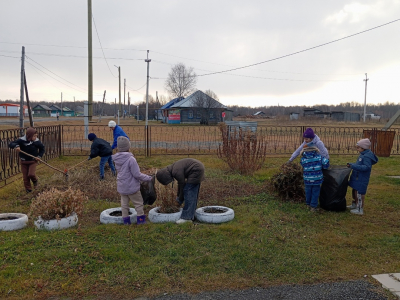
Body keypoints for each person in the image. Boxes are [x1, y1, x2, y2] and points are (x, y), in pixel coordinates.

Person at [112, 136, 152, 225]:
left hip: (122, 185)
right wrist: (148, 178)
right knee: (138, 203)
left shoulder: (117, 159)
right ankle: (141, 220)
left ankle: (126, 222)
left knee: (124, 204)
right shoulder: (131, 159)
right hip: (131, 186)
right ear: (128, 147)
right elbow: (137, 174)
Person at [156, 158, 205, 224]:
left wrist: (179, 200)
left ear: (165, 176)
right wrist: (178, 198)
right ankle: (191, 214)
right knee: (192, 194)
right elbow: (180, 184)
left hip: (196, 170)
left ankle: (187, 218)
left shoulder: (176, 171)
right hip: (198, 168)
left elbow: (182, 186)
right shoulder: (173, 169)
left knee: (189, 193)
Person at [347, 138, 378, 215]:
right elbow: (359, 165)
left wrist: (353, 166)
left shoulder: (366, 156)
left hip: (361, 178)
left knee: (359, 193)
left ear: (363, 148)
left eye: (358, 147)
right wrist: (352, 165)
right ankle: (355, 204)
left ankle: (360, 209)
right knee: (354, 191)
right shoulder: (363, 154)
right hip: (357, 177)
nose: (357, 149)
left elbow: (366, 167)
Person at [9, 127, 45, 193]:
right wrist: (17, 146)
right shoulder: (21, 140)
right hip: (23, 161)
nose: (35, 137)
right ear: (29, 136)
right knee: (25, 177)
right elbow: (11, 144)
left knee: (31, 174)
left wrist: (39, 156)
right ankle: (28, 190)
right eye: (34, 136)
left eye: (36, 136)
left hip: (33, 161)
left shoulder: (37, 142)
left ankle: (35, 181)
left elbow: (42, 149)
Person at [300, 144, 330, 212]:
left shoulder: (303, 159)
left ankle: (308, 203)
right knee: (315, 192)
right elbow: (326, 163)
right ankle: (313, 206)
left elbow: (302, 165)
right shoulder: (319, 157)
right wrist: (324, 167)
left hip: (307, 179)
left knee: (308, 191)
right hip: (317, 179)